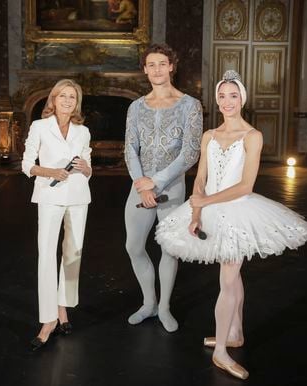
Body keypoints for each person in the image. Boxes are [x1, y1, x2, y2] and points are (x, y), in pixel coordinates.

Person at [155, 70, 307, 379]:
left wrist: (205, 204)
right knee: (232, 274)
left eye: (234, 95)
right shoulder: (209, 135)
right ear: (217, 99)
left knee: (227, 280)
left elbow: (245, 186)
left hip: (238, 211)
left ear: (242, 99)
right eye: (223, 96)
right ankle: (235, 332)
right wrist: (196, 212)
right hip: (208, 209)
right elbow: (200, 178)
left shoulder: (252, 136)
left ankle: (221, 353)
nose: (228, 101)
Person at [124, 43, 203, 333]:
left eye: (162, 63)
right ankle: (149, 304)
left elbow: (190, 152)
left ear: (172, 66)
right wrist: (142, 184)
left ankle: (166, 307)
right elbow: (130, 148)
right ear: (144, 69)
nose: (157, 69)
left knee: (169, 249)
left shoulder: (190, 105)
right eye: (151, 64)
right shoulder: (135, 107)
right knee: (133, 246)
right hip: (139, 187)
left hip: (173, 189)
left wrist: (156, 182)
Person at [22, 79, 92, 351]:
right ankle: (48, 320)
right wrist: (51, 171)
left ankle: (63, 309)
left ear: (77, 103)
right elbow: (27, 165)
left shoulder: (83, 131)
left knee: (73, 255)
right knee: (47, 256)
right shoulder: (39, 127)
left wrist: (86, 167)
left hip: (78, 197)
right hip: (49, 196)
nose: (66, 101)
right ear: (53, 99)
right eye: (62, 96)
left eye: (72, 97)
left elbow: (88, 170)